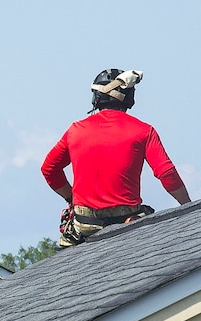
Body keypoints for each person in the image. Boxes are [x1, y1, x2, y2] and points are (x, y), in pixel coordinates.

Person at [42, 69, 191, 249]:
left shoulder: (75, 130)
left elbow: (49, 169)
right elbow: (167, 174)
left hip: (85, 224)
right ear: (129, 98)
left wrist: (71, 199)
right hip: (128, 222)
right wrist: (188, 208)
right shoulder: (144, 131)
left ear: (97, 98)